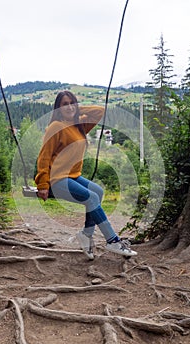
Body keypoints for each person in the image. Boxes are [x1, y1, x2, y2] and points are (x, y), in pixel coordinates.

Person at [35, 90, 137, 260]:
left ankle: (86, 234)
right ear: (58, 109)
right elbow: (44, 157)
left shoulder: (79, 126)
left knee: (98, 192)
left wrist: (76, 109)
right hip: (57, 179)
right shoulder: (56, 127)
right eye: (64, 104)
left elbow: (99, 111)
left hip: (72, 176)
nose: (68, 107)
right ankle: (112, 240)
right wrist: (42, 185)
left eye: (71, 103)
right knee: (91, 198)